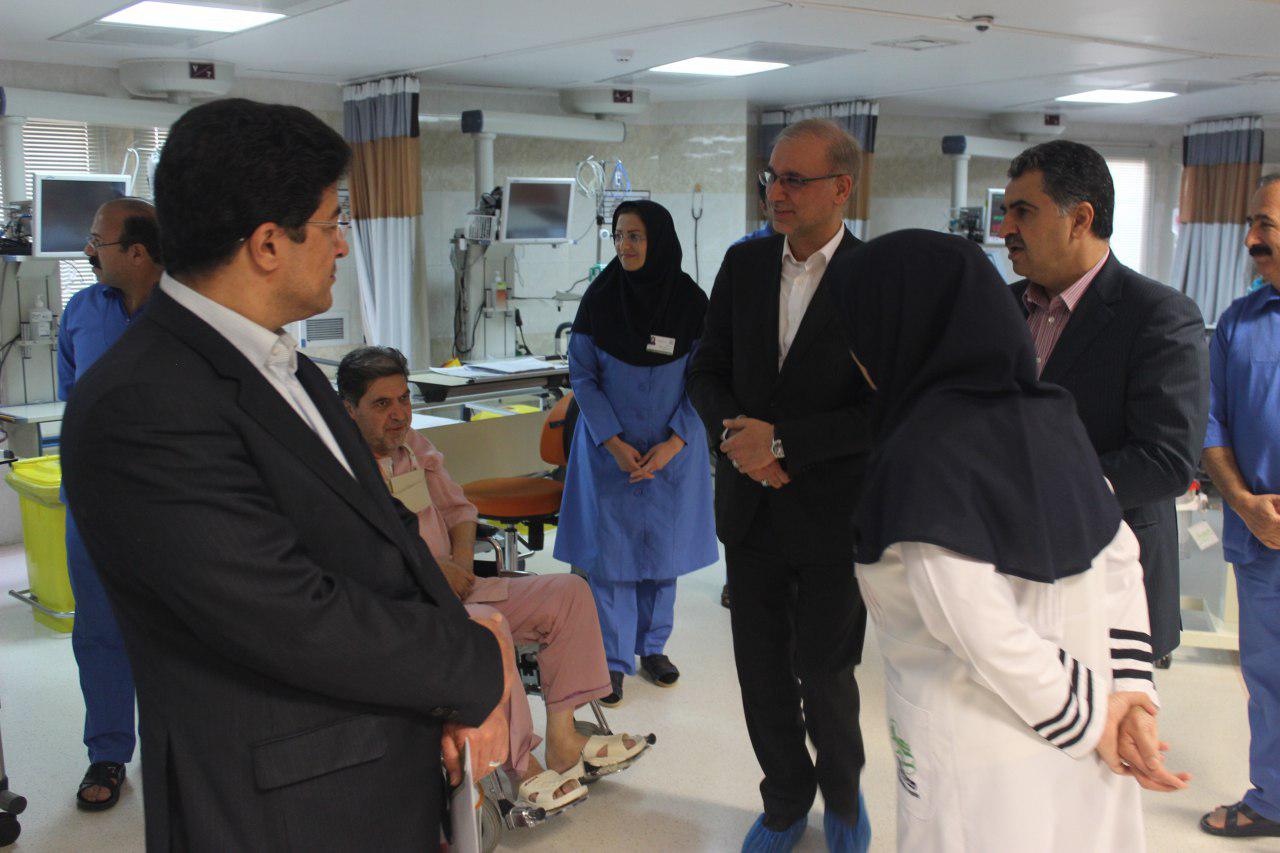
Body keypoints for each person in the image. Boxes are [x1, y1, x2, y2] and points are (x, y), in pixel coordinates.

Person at [60, 98, 513, 850]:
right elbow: (288, 614)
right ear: (269, 243)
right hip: (282, 806)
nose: (343, 246)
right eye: (333, 223)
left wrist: (448, 686)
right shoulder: (142, 402)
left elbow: (386, 531)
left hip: (378, 758)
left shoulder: (286, 366)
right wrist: (468, 668)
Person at [835, 229, 1191, 852]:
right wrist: (1128, 694)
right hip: (1088, 721)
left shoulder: (922, 451)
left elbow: (973, 623)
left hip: (984, 746)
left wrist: (1096, 720)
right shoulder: (1050, 415)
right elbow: (1119, 558)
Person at [338, 345, 652, 814]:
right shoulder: (341, 470)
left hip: (459, 587)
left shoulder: (414, 448)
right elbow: (364, 554)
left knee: (568, 592)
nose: (399, 414)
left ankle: (564, 740)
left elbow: (459, 511)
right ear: (349, 409)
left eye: (403, 399)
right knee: (490, 626)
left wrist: (462, 564)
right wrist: (436, 572)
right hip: (409, 607)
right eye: (382, 404)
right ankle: (521, 768)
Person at [688, 117, 872, 853]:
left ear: (842, 187)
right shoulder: (745, 264)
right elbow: (707, 369)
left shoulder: (874, 278)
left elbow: (885, 407)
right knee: (761, 675)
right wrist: (742, 441)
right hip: (751, 508)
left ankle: (845, 799)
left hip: (831, 514)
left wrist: (785, 441)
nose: (777, 192)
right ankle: (786, 801)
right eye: (772, 177)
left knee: (825, 674)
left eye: (796, 178)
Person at [1001, 139, 1209, 666]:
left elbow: (1166, 460)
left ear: (1080, 219)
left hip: (1107, 580)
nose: (1005, 229)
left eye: (1023, 212)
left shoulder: (1158, 315)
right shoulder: (998, 308)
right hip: (1004, 575)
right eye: (1006, 212)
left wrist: (1043, 491)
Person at [554, 199, 716, 707]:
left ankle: (654, 649)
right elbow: (582, 375)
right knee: (612, 560)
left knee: (662, 556)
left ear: (658, 240)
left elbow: (706, 376)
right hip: (610, 452)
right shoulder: (600, 299)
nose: (624, 246)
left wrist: (676, 442)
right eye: (619, 235)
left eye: (635, 236)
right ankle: (613, 659)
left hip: (673, 451)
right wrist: (613, 442)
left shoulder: (691, 302)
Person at [57, 196, 162, 811]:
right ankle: (108, 752)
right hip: (93, 500)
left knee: (181, 626)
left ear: (138, 252)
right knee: (99, 629)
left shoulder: (188, 314)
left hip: (171, 503)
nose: (88, 250)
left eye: (98, 240)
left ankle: (182, 745)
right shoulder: (81, 310)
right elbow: (74, 398)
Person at [1200, 173, 1280, 838]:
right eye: (1252, 223)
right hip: (1263, 538)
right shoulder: (1238, 322)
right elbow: (1211, 425)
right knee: (1269, 676)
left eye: (1266, 225)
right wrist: (1245, 502)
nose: (1252, 237)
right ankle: (1274, 799)